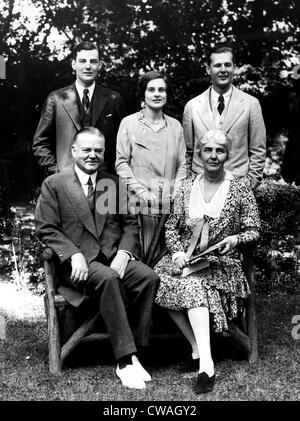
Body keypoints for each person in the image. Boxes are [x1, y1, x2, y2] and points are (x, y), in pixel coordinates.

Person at [35, 127, 160, 390]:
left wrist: (125, 254)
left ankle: (137, 351)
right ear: (74, 151)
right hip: (77, 265)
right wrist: (73, 254)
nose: (93, 155)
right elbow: (46, 228)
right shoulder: (55, 184)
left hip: (113, 258)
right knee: (107, 277)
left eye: (98, 151)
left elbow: (130, 224)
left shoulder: (112, 184)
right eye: (87, 150)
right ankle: (125, 360)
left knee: (148, 277)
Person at [154, 129, 261, 394]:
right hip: (187, 260)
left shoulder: (239, 188)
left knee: (193, 286)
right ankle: (195, 348)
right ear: (200, 154)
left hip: (222, 264)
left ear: (228, 155)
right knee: (158, 277)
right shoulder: (188, 186)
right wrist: (178, 253)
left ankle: (206, 365)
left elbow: (255, 229)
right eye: (208, 150)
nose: (213, 156)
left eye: (220, 150)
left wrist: (235, 240)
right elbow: (172, 227)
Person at [115, 70, 186, 259]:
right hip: (138, 209)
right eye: (151, 89)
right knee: (141, 265)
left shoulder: (175, 127)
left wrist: (176, 192)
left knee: (166, 265)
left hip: (168, 212)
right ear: (143, 94)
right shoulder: (128, 124)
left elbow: (182, 165)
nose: (157, 94)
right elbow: (121, 164)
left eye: (161, 90)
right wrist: (142, 192)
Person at [32, 41, 124, 176]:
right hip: (66, 182)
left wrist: (112, 175)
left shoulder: (113, 99)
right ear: (73, 64)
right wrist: (56, 172)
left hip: (103, 183)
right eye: (82, 61)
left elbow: (123, 146)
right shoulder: (56, 99)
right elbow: (40, 143)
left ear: (99, 65)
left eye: (93, 61)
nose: (88, 66)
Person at [183, 44, 266, 189]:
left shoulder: (251, 104)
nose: (223, 70)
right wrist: (190, 183)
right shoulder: (192, 106)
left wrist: (249, 184)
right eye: (217, 65)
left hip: (237, 186)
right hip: (200, 187)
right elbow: (186, 152)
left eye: (227, 65)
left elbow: (258, 150)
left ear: (234, 67)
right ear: (208, 69)